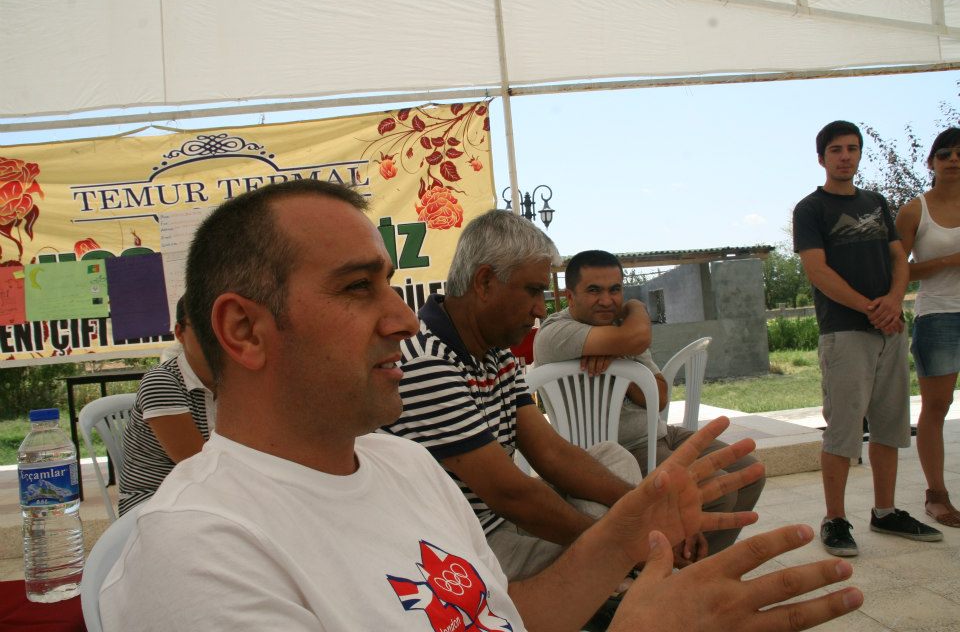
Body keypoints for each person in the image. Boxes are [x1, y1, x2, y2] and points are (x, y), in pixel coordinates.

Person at [100, 179, 864, 632]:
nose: (402, 320)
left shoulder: (402, 464)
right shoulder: (195, 551)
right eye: (358, 288)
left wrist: (623, 534)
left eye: (391, 285)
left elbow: (505, 616)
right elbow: (514, 490)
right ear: (244, 330)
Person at [385, 210, 651, 582]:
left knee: (611, 456)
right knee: (608, 567)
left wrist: (645, 511)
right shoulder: (426, 358)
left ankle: (618, 565)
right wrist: (622, 546)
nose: (541, 309)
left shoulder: (496, 352)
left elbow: (552, 454)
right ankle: (616, 575)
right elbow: (510, 494)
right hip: (460, 544)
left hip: (503, 520)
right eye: (533, 290)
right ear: (484, 282)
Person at [533, 249, 765, 562]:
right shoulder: (555, 333)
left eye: (615, 290)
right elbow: (639, 336)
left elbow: (661, 396)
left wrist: (619, 356)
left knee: (750, 472)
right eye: (594, 290)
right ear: (569, 296)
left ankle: (699, 564)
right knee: (717, 493)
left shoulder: (620, 328)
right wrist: (635, 312)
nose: (606, 300)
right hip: (621, 449)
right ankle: (672, 571)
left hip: (659, 434)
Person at [793, 120, 943, 557]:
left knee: (890, 425)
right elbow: (817, 271)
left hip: (891, 330)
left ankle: (885, 511)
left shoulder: (876, 203)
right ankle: (835, 519)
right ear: (821, 158)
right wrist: (869, 307)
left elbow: (899, 258)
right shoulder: (810, 209)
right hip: (845, 333)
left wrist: (894, 301)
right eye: (836, 149)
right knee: (843, 431)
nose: (845, 156)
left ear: (860, 154)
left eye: (852, 148)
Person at [894, 127, 960, 528]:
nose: (953, 160)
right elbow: (897, 269)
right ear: (931, 162)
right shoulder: (914, 211)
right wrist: (948, 261)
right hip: (938, 316)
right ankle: (936, 495)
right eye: (945, 154)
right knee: (938, 406)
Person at [118, 295, 215, 515]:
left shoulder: (236, 381)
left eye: (224, 326)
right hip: (153, 503)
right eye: (204, 327)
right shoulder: (161, 382)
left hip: (206, 497)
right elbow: (198, 466)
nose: (216, 337)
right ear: (180, 333)